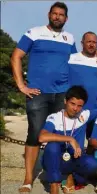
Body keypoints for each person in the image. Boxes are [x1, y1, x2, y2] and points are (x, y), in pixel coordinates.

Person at [10, 2, 77, 193]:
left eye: (61, 14)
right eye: (54, 14)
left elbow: (75, 62)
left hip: (62, 94)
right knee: (35, 134)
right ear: (49, 15)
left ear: (66, 18)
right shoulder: (34, 32)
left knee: (61, 135)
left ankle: (58, 178)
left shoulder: (69, 38)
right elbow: (16, 56)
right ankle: (28, 179)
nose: (57, 17)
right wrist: (21, 85)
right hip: (38, 93)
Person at [39, 86, 97, 194]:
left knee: (92, 164)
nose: (75, 108)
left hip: (74, 159)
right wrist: (70, 139)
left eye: (79, 106)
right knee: (52, 146)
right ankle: (54, 184)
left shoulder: (83, 115)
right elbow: (42, 137)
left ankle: (69, 177)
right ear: (65, 101)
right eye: (72, 104)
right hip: (55, 160)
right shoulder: (55, 117)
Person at [68, 31, 97, 154]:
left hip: (96, 109)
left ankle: (90, 168)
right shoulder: (72, 58)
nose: (92, 44)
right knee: (74, 144)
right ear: (82, 43)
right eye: (89, 41)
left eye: (95, 42)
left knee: (93, 143)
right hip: (76, 109)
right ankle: (73, 170)